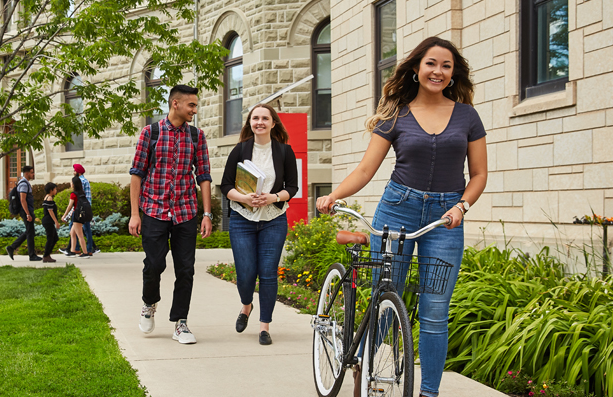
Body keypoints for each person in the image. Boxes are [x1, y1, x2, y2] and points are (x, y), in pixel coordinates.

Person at [316, 37, 487, 397]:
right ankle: (363, 372)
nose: (438, 71)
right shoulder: (396, 114)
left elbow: (480, 175)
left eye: (446, 66)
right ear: (416, 68)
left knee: (436, 311)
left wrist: (461, 207)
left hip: (446, 219)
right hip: (397, 209)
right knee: (383, 300)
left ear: (453, 74)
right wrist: (334, 195)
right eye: (431, 64)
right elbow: (365, 169)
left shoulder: (467, 116)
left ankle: (429, 393)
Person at [128, 84, 213, 345]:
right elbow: (136, 174)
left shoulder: (197, 137)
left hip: (185, 212)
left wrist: (207, 213)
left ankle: (181, 322)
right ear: (175, 104)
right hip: (154, 210)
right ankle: (148, 303)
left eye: (196, 106)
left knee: (185, 269)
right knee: (154, 265)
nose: (194, 110)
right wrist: (135, 214)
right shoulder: (150, 133)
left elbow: (204, 176)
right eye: (191, 105)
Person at [219, 104, 297, 346]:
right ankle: (246, 305)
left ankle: (264, 326)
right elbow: (226, 185)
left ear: (273, 123)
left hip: (273, 219)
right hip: (243, 219)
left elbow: (292, 187)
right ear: (250, 123)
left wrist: (273, 197)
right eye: (255, 118)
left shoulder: (284, 151)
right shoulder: (240, 150)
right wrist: (244, 198)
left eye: (265, 118)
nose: (260, 122)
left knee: (268, 274)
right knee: (245, 274)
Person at [6, 165, 43, 262]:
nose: (33, 174)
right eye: (31, 172)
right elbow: (23, 200)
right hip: (26, 210)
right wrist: (27, 214)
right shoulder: (23, 184)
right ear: (26, 173)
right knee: (30, 232)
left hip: (28, 210)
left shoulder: (25, 183)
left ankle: (12, 247)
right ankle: (31, 255)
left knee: (30, 231)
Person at [60, 164, 99, 255]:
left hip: (80, 211)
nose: (73, 172)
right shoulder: (84, 182)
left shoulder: (80, 182)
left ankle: (86, 251)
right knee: (76, 230)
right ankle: (75, 249)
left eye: (74, 171)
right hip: (82, 210)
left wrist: (66, 215)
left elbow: (74, 204)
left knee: (83, 231)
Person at [61, 176, 92, 259]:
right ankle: (72, 251)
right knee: (72, 233)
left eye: (71, 182)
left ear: (74, 184)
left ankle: (85, 253)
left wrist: (64, 215)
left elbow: (70, 206)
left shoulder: (73, 194)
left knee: (80, 235)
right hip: (81, 215)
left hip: (76, 215)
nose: (70, 184)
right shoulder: (82, 193)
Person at [41, 182, 61, 263]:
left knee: (55, 238)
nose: (56, 190)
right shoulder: (49, 198)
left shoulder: (46, 197)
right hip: (48, 221)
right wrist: (56, 222)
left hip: (47, 221)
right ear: (51, 190)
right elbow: (50, 211)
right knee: (50, 238)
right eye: (55, 189)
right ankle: (46, 255)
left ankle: (47, 254)